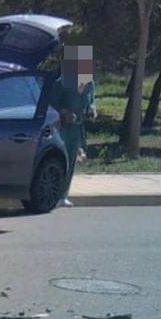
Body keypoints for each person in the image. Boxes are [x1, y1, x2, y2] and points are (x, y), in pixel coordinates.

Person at [48, 44, 95, 207]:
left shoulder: (89, 83)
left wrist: (92, 109)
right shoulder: (62, 82)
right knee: (61, 160)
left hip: (77, 128)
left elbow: (91, 100)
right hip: (62, 127)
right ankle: (53, 194)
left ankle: (63, 195)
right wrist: (63, 111)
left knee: (72, 161)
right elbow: (51, 104)